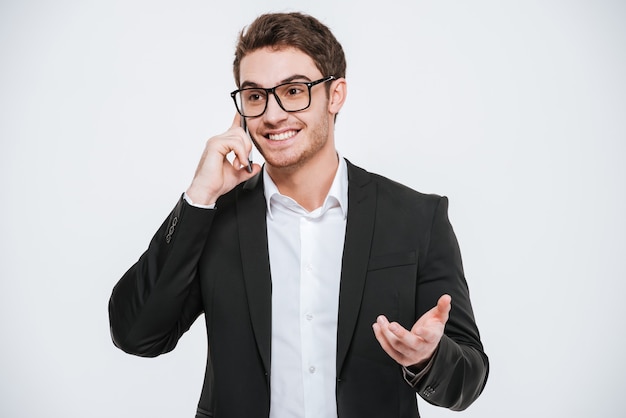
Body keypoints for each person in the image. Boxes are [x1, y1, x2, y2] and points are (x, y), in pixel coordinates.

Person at [108, 11, 488, 418]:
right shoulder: (214, 218)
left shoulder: (416, 217)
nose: (272, 115)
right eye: (255, 96)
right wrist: (199, 195)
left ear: (335, 94)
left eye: (293, 90)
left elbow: (467, 380)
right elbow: (136, 334)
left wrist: (427, 358)